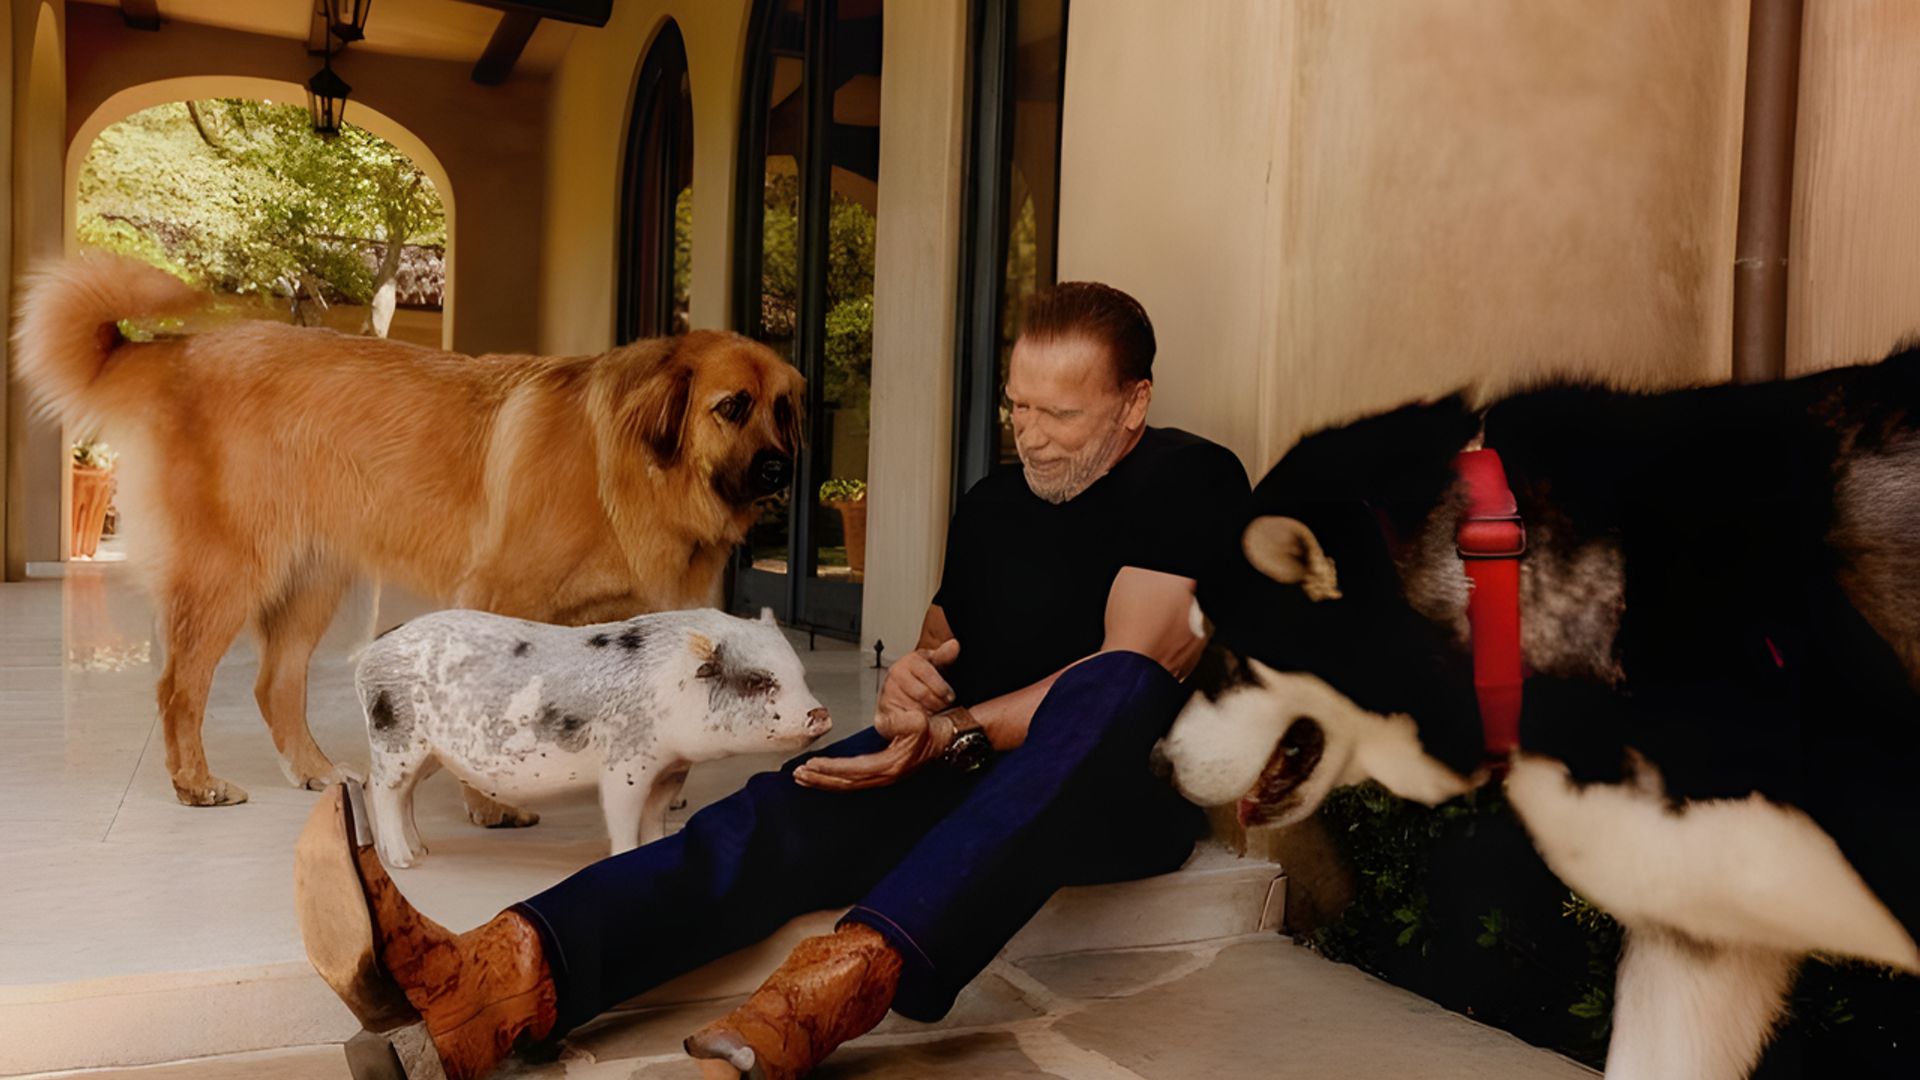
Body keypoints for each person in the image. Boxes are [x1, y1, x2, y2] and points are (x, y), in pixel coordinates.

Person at [293, 282, 1253, 1080]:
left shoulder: (1190, 478)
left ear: (1134, 404)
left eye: (1062, 413)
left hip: (1103, 793)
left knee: (1118, 688)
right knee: (774, 811)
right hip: (960, 760)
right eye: (1018, 406)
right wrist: (910, 693)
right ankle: (492, 985)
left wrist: (951, 733)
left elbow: (1138, 662)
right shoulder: (997, 499)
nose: (1032, 434)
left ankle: (825, 994)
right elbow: (941, 640)